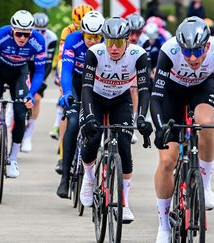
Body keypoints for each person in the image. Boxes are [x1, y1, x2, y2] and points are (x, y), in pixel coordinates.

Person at [150, 16, 214, 242]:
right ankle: (163, 225)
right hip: (172, 94)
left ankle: (205, 186)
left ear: (207, 46)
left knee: (206, 124)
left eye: (198, 52)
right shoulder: (168, 51)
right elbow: (157, 97)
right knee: (167, 161)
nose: (191, 58)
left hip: (202, 89)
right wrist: (160, 129)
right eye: (186, 52)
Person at [79, 17, 153, 223]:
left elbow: (144, 89)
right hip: (95, 98)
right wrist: (89, 116)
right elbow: (85, 88)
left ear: (128, 42)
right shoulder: (94, 53)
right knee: (92, 139)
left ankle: (124, 203)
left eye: (119, 43)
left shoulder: (139, 55)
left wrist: (141, 118)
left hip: (120, 100)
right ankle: (89, 177)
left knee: (124, 147)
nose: (113, 48)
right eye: (109, 41)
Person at [0, 10, 46, 178]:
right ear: (12, 30)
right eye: (19, 34)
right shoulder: (1, 35)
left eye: (26, 34)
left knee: (21, 115)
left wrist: (31, 93)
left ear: (32, 32)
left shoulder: (38, 41)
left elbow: (39, 71)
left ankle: (13, 158)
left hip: (20, 73)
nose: (22, 38)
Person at [55, 11, 105, 198]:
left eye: (96, 37)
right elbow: (66, 70)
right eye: (88, 36)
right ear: (82, 32)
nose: (92, 40)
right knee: (74, 122)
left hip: (96, 84)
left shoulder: (106, 43)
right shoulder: (72, 40)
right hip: (75, 81)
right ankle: (65, 178)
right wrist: (67, 92)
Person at [53, 3, 94, 174]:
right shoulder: (68, 32)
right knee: (68, 113)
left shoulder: (95, 31)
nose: (80, 27)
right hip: (70, 68)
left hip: (89, 74)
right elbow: (63, 58)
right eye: (78, 24)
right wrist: (63, 83)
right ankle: (63, 156)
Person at [16, 12, 58, 152]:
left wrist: (41, 81)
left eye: (43, 30)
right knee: (17, 94)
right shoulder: (25, 35)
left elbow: (48, 63)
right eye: (37, 30)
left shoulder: (51, 38)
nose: (40, 32)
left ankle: (28, 135)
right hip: (25, 65)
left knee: (37, 98)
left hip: (40, 68)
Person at [126, 13, 147, 144]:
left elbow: (147, 63)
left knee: (134, 89)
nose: (134, 37)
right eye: (131, 33)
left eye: (137, 33)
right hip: (119, 68)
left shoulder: (145, 41)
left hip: (134, 68)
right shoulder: (120, 38)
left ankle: (132, 124)